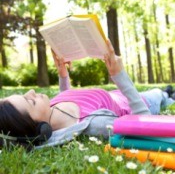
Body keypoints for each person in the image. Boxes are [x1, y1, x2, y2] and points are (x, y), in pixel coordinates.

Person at [0, 40, 174, 148]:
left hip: (116, 95)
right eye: (30, 102)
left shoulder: (50, 109)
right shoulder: (95, 124)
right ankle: (167, 95)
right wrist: (120, 76)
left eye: (24, 94)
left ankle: (166, 94)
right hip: (136, 101)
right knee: (157, 94)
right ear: (41, 129)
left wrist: (63, 75)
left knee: (158, 93)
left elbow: (66, 98)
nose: (31, 92)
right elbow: (142, 123)